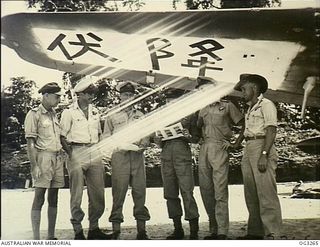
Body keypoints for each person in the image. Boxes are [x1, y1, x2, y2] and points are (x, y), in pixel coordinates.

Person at [60, 76, 111, 240]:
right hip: (76, 150)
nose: (91, 96)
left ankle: (94, 228)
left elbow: (99, 134)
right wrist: (71, 154)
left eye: (92, 93)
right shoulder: (68, 112)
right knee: (76, 194)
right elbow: (62, 136)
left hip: (94, 152)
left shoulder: (95, 111)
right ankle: (78, 230)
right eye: (87, 93)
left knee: (98, 193)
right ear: (79, 94)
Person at [233, 73, 282, 240]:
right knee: (251, 192)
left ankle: (273, 234)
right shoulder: (250, 107)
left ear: (254, 87)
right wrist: (237, 143)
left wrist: (264, 154)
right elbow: (246, 130)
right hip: (249, 147)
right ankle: (255, 232)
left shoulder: (267, 105)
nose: (242, 92)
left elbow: (271, 130)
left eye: (244, 88)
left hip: (262, 146)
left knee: (266, 193)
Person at [196, 76, 244, 240]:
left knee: (220, 190)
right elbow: (197, 129)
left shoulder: (228, 105)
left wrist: (235, 143)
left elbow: (244, 124)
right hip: (204, 148)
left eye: (206, 90)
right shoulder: (202, 109)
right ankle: (213, 229)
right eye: (201, 91)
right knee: (206, 189)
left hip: (220, 148)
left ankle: (223, 230)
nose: (203, 93)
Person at [103, 81, 151, 240]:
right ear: (120, 96)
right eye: (125, 94)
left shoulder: (140, 114)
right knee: (118, 192)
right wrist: (116, 146)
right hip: (120, 157)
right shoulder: (112, 115)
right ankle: (116, 229)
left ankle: (142, 230)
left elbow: (146, 133)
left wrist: (144, 143)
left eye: (131, 95)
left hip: (137, 156)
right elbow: (106, 136)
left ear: (134, 96)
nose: (128, 97)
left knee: (139, 191)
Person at [154, 88, 200, 240]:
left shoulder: (190, 115)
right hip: (167, 157)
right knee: (170, 193)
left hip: (182, 157)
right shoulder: (162, 117)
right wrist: (158, 138)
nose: (169, 104)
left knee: (187, 192)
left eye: (172, 101)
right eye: (167, 102)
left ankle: (194, 231)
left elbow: (196, 138)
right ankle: (177, 229)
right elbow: (158, 142)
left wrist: (188, 136)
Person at [24, 82, 64, 240]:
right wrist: (34, 166)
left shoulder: (54, 114)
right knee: (39, 196)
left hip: (57, 157)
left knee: (54, 196)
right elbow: (30, 142)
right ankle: (36, 238)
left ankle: (51, 236)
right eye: (56, 96)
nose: (59, 99)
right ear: (46, 96)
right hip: (43, 157)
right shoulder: (34, 114)